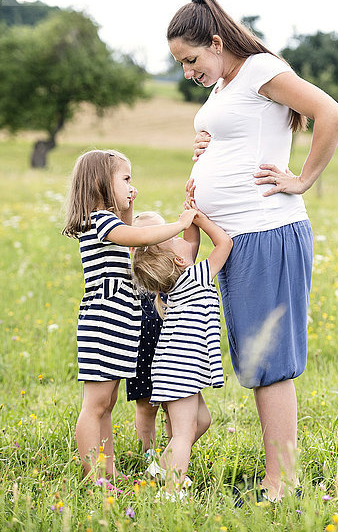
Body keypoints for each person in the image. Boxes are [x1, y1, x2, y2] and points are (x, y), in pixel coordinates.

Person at [167, 0, 338, 502]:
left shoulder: (259, 69)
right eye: (180, 63)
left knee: (268, 359)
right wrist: (203, 150)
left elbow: (330, 113)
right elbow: (240, 136)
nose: (187, 71)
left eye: (191, 59)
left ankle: (282, 481)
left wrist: (303, 179)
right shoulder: (227, 85)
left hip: (266, 230)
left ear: (217, 43)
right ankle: (278, 474)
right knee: (253, 356)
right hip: (237, 238)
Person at [62, 149, 197, 482]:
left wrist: (130, 205)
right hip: (105, 321)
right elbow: (136, 236)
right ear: (101, 183)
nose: (130, 186)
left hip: (119, 322)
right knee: (95, 405)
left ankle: (107, 472)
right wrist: (178, 224)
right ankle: (96, 478)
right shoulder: (98, 220)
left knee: (106, 402)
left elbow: (127, 234)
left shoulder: (108, 221)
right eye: (125, 179)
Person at [133, 207, 233, 498]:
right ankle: (172, 492)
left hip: (175, 369)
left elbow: (189, 242)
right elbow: (224, 244)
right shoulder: (195, 277)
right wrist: (200, 219)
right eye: (176, 238)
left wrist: (190, 209)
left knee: (201, 422)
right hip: (180, 372)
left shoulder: (178, 284)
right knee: (184, 433)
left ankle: (160, 471)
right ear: (179, 259)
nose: (183, 237)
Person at [126, 211, 172, 459]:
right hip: (142, 350)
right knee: (145, 405)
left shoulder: (170, 274)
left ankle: (173, 449)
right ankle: (148, 452)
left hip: (168, 348)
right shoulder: (132, 274)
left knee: (173, 403)